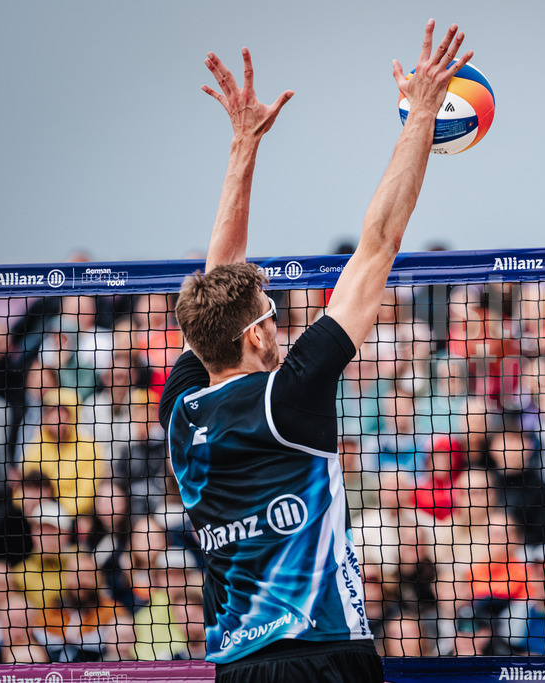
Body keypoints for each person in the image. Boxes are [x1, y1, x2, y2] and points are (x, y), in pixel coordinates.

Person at [156, 25, 474, 682]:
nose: (279, 322)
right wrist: (419, 117)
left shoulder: (181, 411)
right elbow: (380, 242)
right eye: (272, 315)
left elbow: (221, 279)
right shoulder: (290, 395)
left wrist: (244, 145)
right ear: (254, 335)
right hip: (325, 652)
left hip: (239, 665)